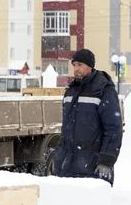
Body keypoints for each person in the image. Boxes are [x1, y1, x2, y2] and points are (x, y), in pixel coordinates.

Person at [52, 48, 123, 185]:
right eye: (74, 65)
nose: (76, 69)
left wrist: (106, 161)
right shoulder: (71, 91)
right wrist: (59, 156)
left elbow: (113, 129)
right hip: (68, 165)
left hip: (92, 165)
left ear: (90, 66)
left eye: (80, 65)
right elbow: (66, 129)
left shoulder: (103, 90)